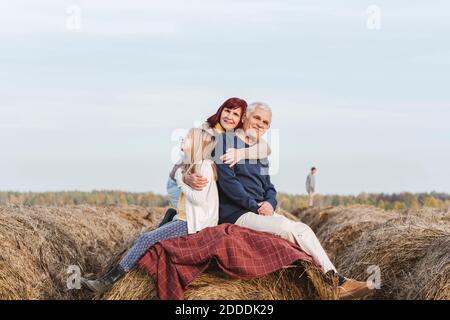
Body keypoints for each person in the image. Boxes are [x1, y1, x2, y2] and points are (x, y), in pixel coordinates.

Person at [215, 102, 371, 300]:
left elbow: (269, 187)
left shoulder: (259, 153)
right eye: (257, 118)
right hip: (237, 212)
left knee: (304, 229)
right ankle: (336, 284)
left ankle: (337, 281)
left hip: (259, 209)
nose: (260, 124)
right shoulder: (225, 141)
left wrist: (271, 203)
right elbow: (229, 184)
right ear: (245, 117)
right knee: (286, 229)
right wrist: (254, 206)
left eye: (265, 122)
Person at [81, 128, 219, 293]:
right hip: (184, 219)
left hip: (192, 224)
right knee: (151, 232)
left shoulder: (204, 166)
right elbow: (179, 178)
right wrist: (181, 177)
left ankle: (107, 282)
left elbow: (199, 199)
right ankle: (112, 274)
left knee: (146, 239)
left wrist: (181, 181)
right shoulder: (192, 165)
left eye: (188, 137)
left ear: (196, 144)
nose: (183, 138)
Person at [164, 97, 271, 223]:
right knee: (188, 219)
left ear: (242, 119)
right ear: (221, 111)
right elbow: (186, 159)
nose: (229, 116)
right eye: (227, 111)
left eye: (235, 114)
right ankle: (170, 221)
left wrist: (241, 154)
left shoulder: (238, 135)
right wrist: (185, 177)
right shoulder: (208, 131)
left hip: (200, 182)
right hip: (180, 180)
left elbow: (266, 148)